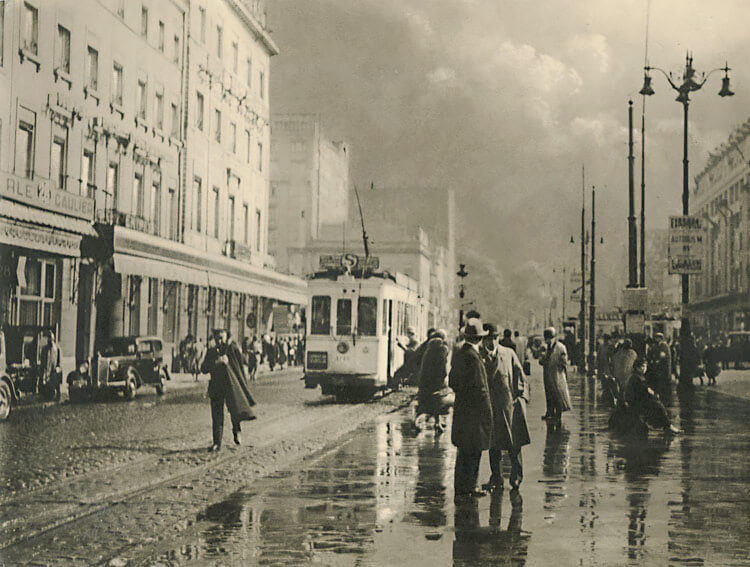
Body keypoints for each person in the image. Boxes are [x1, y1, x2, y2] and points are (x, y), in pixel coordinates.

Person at [449, 318, 493, 503]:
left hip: (462, 410)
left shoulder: (459, 353)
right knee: (474, 451)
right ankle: (471, 486)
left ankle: (461, 487)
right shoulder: (474, 358)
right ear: (479, 339)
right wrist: (487, 411)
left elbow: (452, 381)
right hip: (475, 413)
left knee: (463, 451)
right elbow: (481, 388)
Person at [480, 324, 529, 492]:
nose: (491, 342)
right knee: (493, 446)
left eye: (494, 338)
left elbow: (520, 376)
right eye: (488, 339)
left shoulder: (508, 354)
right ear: (483, 339)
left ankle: (516, 477)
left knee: (513, 444)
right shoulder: (479, 357)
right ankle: (496, 478)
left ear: (498, 338)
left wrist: (522, 398)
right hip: (490, 408)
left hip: (509, 406)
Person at [200, 329, 257, 452]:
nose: (220, 341)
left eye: (222, 338)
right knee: (217, 415)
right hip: (216, 386)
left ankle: (236, 431)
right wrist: (215, 362)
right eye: (217, 338)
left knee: (234, 409)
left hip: (231, 387)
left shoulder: (232, 350)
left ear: (226, 337)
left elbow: (242, 363)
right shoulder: (211, 352)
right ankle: (217, 442)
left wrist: (229, 361)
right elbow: (203, 368)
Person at [623, 357, 680, 435]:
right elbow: (646, 389)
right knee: (659, 406)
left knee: (657, 404)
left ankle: (666, 426)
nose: (643, 368)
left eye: (645, 366)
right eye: (641, 366)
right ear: (636, 367)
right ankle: (668, 426)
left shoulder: (636, 376)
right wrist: (655, 395)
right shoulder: (637, 377)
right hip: (635, 403)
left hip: (634, 401)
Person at [415, 328, 451, 433]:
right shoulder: (442, 348)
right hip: (436, 380)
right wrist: (443, 378)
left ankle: (436, 422)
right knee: (437, 401)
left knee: (429, 401)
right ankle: (429, 422)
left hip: (425, 380)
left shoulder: (428, 346)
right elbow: (443, 367)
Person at [538, 327, 572, 423]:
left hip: (557, 375)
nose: (548, 340)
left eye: (549, 338)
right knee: (548, 394)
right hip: (547, 374)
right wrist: (542, 357)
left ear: (553, 337)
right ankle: (549, 412)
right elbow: (540, 361)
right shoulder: (544, 347)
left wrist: (562, 365)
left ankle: (558, 415)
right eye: (546, 338)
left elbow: (564, 362)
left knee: (558, 394)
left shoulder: (561, 347)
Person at [646, 332, 672, 401]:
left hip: (663, 369)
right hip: (660, 369)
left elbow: (662, 356)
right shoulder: (658, 346)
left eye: (657, 338)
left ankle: (663, 398)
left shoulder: (664, 346)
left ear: (660, 338)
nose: (655, 339)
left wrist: (656, 361)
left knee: (663, 384)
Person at [39, 331, 62, 400]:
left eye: (51, 339)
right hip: (46, 369)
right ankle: (46, 395)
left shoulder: (57, 349)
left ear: (53, 339)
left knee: (56, 382)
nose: (50, 341)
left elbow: (59, 360)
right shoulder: (44, 349)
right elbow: (43, 360)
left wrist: (58, 367)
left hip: (54, 369)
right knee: (45, 383)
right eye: (49, 339)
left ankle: (57, 395)